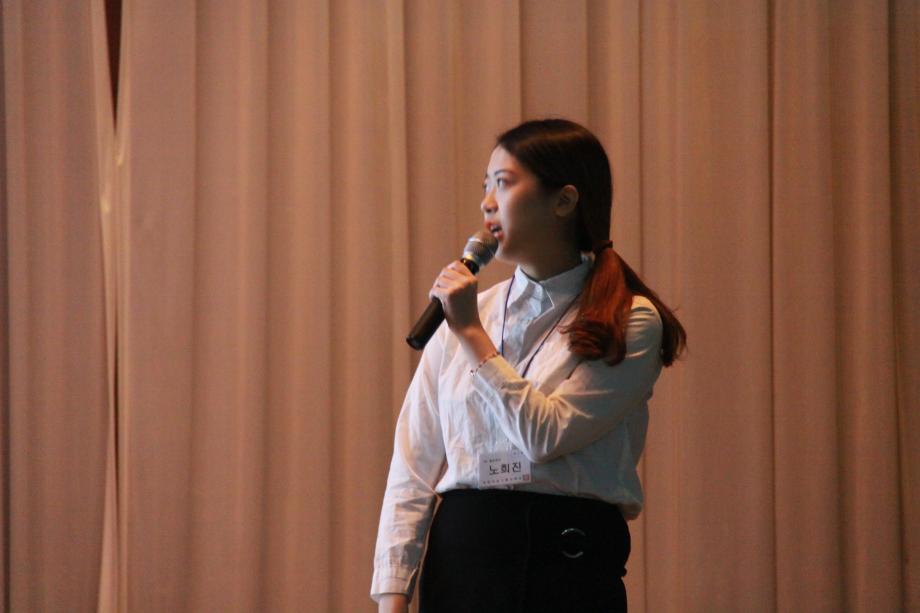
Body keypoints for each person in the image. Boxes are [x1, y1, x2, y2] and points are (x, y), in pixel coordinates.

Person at [372, 118, 686, 613]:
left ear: (564, 201)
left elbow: (547, 436)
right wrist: (393, 595)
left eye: (504, 183)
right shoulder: (470, 313)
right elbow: (413, 465)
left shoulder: (629, 318)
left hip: (567, 567)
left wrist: (471, 335)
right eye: (485, 185)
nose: (487, 203)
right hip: (462, 564)